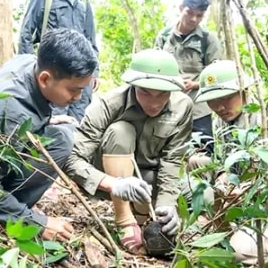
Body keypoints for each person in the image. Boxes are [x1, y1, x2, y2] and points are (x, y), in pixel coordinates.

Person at [0, 28, 98, 242]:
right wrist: (36, 222)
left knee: (66, 132)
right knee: (63, 142)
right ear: (45, 79)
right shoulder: (10, 115)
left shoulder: (29, 63)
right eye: (73, 90)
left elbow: (26, 106)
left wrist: (45, 120)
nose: (78, 97)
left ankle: (13, 207)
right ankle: (10, 215)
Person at [64, 49, 194, 255]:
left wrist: (167, 205)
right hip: (108, 180)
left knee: (200, 192)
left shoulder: (183, 107)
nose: (154, 103)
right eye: (145, 92)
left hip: (151, 177)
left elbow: (173, 160)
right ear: (133, 86)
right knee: (120, 131)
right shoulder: (108, 104)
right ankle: (125, 219)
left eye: (162, 94)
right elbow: (72, 159)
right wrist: (114, 184)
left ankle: (150, 218)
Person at [17, 0, 98, 122]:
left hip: (79, 77)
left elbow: (91, 41)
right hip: (54, 74)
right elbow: (26, 33)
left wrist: (95, 73)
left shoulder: (84, 2)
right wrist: (27, 68)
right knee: (50, 123)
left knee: (78, 124)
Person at [154, 0, 222, 155]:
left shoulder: (208, 39)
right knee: (167, 152)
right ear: (180, 8)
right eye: (189, 13)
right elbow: (155, 69)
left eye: (199, 15)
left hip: (198, 109)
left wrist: (196, 84)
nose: (193, 19)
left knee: (203, 154)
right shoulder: (164, 37)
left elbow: (217, 76)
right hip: (168, 106)